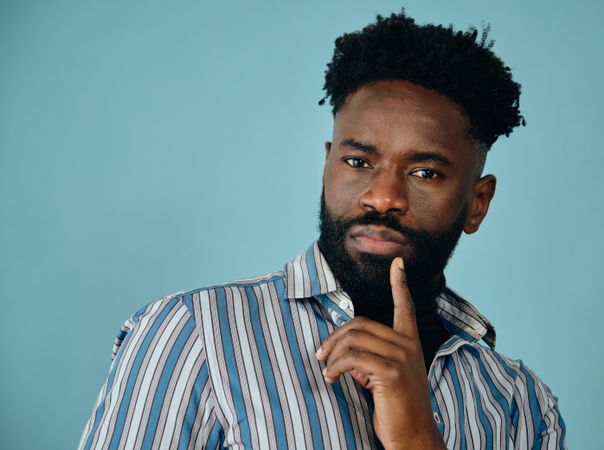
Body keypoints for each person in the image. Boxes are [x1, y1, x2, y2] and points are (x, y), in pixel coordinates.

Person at [79, 12, 566, 450]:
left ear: (477, 203)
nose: (382, 196)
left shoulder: (520, 405)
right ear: (326, 167)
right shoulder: (193, 334)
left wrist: (418, 440)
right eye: (358, 161)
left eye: (425, 173)